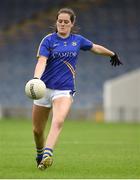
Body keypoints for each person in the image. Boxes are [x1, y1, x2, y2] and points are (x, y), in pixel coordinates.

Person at [31, 8, 123, 170]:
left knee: (58, 120)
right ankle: (39, 153)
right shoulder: (48, 40)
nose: (62, 24)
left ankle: (48, 153)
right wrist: (37, 79)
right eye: (60, 21)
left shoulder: (78, 40)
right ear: (56, 22)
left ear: (72, 24)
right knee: (37, 130)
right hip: (43, 89)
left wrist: (112, 54)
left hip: (64, 90)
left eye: (66, 21)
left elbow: (95, 48)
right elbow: (41, 62)